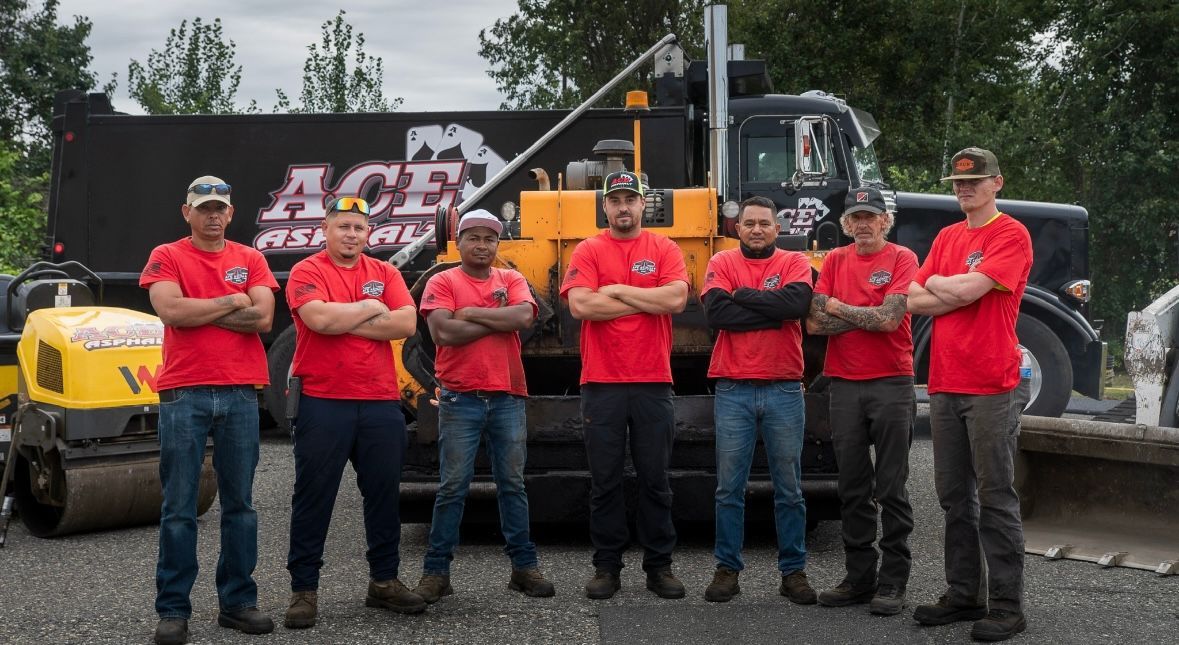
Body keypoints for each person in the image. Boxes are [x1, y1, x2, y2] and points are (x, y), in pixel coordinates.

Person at [141, 176, 278, 645]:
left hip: (240, 391)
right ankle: (174, 610)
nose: (213, 215)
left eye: (220, 207)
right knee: (178, 506)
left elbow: (261, 319)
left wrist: (202, 307)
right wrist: (229, 301)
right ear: (187, 212)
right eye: (204, 208)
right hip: (184, 390)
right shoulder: (167, 255)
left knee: (240, 505)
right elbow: (171, 313)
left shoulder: (251, 258)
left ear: (231, 212)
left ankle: (238, 603)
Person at [283, 196, 425, 629]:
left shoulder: (385, 272)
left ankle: (384, 582)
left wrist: (343, 319)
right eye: (342, 226)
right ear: (324, 229)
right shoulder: (308, 271)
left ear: (369, 233)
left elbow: (406, 324)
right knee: (314, 497)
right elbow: (318, 319)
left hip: (381, 401)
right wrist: (369, 309)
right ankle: (304, 591)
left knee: (383, 496)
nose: (351, 234)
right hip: (322, 401)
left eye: (359, 228)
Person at [908, 148, 1032, 642]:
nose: (965, 188)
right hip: (944, 382)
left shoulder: (1010, 234)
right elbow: (914, 300)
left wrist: (941, 284)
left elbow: (956, 293)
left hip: (991, 385)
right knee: (954, 496)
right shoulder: (947, 236)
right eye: (958, 183)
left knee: (996, 495)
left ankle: (1006, 605)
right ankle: (964, 595)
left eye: (975, 181)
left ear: (996, 183)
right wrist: (949, 288)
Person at [412, 210, 556, 602]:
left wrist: (472, 313)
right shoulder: (443, 280)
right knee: (452, 488)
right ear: (459, 242)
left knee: (513, 485)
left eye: (489, 239)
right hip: (460, 398)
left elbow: (526, 315)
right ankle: (436, 573)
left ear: (498, 244)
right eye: (473, 238)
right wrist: (499, 319)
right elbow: (443, 330)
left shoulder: (510, 278)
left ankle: (524, 568)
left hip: (507, 396)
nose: (481, 245)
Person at [560, 170, 690, 600]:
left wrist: (614, 290)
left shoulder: (664, 247)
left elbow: (674, 299)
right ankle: (607, 567)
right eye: (614, 200)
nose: (622, 207)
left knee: (656, 479)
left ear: (642, 204)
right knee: (605, 480)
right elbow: (581, 306)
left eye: (629, 199)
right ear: (605, 206)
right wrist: (642, 298)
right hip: (602, 383)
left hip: (653, 381)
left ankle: (659, 567)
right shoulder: (589, 249)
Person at [698, 195, 817, 605]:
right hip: (733, 387)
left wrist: (743, 296)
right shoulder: (722, 263)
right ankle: (727, 569)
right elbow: (717, 315)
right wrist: (775, 310)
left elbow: (798, 304)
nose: (756, 230)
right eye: (749, 223)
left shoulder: (794, 263)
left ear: (777, 229)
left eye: (764, 223)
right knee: (728, 489)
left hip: (784, 386)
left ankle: (794, 572)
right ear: (737, 228)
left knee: (790, 489)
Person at [806, 187, 917, 616]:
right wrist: (863, 313)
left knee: (891, 488)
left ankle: (892, 582)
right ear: (846, 224)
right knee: (852, 487)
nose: (864, 224)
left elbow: (890, 321)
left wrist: (839, 305)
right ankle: (858, 577)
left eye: (872, 216)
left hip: (892, 382)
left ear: (885, 221)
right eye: (856, 218)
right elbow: (816, 323)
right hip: (844, 384)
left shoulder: (902, 259)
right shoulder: (833, 260)